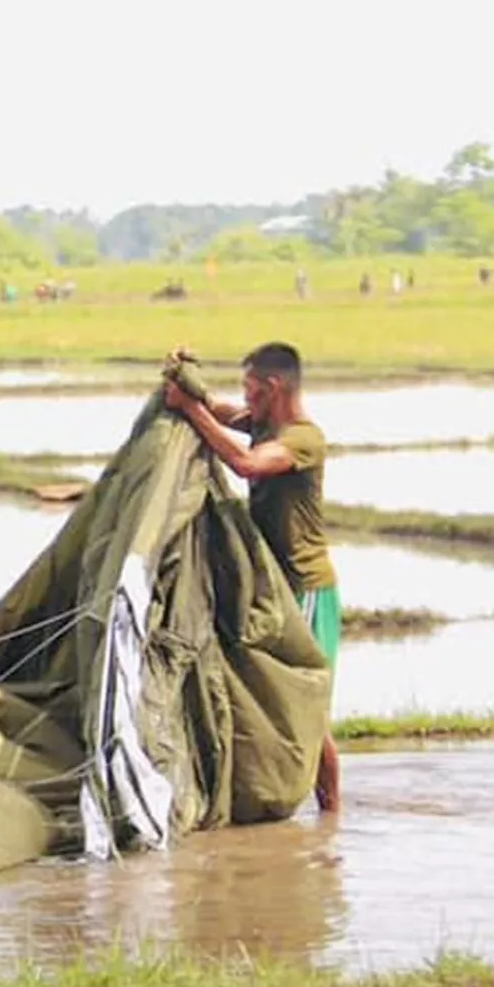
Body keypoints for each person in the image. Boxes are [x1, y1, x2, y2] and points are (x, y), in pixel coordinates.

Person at [162, 343, 341, 814]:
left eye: (251, 389)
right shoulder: (264, 421)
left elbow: (245, 464)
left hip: (305, 587)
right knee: (276, 693)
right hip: (272, 585)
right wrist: (187, 381)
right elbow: (221, 412)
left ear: (274, 387)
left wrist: (191, 413)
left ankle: (332, 814)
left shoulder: (304, 439)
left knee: (308, 703)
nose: (245, 398)